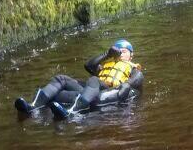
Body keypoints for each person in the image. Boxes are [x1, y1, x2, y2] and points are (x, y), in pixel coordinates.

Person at [15, 39, 144, 118]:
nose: (121, 53)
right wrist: (107, 54)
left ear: (131, 55)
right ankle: (34, 106)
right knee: (61, 78)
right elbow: (88, 65)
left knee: (93, 80)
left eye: (124, 51)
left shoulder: (133, 69)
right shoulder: (105, 65)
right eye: (119, 51)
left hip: (109, 89)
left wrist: (125, 86)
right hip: (92, 89)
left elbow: (135, 81)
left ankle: (74, 111)